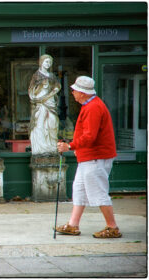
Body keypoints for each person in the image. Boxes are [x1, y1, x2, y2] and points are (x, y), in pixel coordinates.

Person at [56, 76, 121, 238]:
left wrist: (70, 146)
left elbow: (90, 136)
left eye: (75, 91)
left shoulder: (93, 107)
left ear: (83, 93)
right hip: (90, 157)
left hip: (96, 157)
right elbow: (89, 135)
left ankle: (112, 227)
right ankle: (73, 224)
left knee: (98, 192)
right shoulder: (91, 105)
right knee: (79, 191)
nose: (72, 93)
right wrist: (76, 147)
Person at [28, 54, 61, 155]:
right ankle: (41, 148)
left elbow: (57, 86)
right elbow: (31, 90)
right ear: (41, 62)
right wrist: (41, 88)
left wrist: (54, 90)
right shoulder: (36, 75)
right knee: (40, 124)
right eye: (46, 61)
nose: (48, 64)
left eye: (50, 62)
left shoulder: (51, 76)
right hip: (41, 103)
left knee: (52, 122)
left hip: (50, 102)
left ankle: (51, 146)